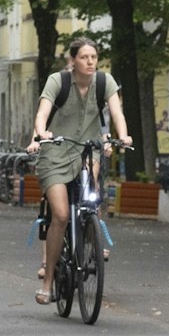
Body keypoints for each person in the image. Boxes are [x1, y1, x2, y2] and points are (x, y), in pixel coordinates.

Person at [27, 39, 132, 306]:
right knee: (60, 215)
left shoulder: (104, 82)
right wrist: (42, 133)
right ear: (73, 60)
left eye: (94, 57)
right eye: (84, 57)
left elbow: (117, 113)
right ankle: (48, 281)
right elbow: (42, 113)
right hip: (56, 153)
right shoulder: (57, 81)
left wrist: (123, 136)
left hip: (86, 150)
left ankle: (91, 237)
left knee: (91, 199)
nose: (90, 62)